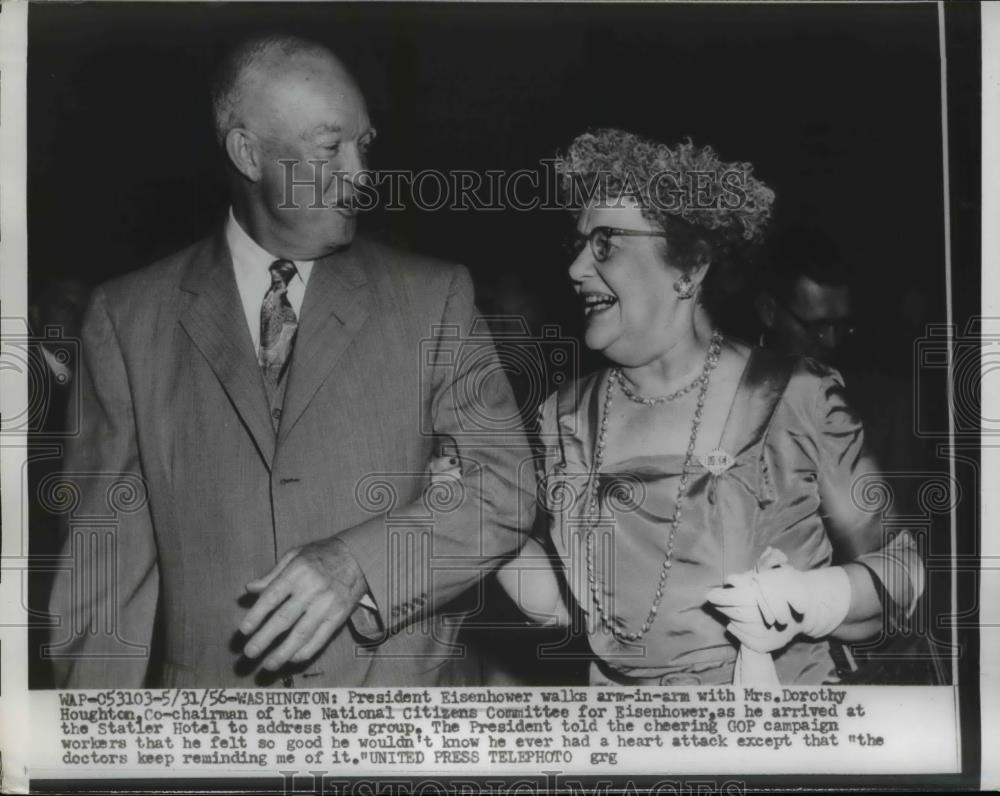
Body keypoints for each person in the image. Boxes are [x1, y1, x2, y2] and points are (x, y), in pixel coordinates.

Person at [47, 34, 533, 688]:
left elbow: (503, 489)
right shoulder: (127, 318)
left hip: (393, 742)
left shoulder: (434, 297)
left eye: (366, 145)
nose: (361, 176)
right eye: (330, 148)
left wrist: (361, 563)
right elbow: (102, 585)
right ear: (249, 153)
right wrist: (96, 762)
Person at [447, 129, 924, 686]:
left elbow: (903, 573)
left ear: (690, 269)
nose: (576, 268)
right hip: (629, 747)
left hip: (776, 743)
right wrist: (479, 520)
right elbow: (574, 611)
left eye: (605, 243)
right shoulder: (566, 418)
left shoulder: (795, 396)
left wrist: (811, 599)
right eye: (576, 245)